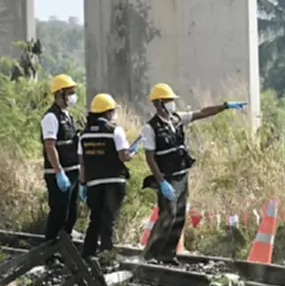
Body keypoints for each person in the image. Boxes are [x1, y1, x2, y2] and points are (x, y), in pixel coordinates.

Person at [140, 83, 246, 264]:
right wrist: (161, 182)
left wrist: (225, 106)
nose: (172, 103)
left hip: (182, 174)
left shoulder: (177, 119)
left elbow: (202, 113)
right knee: (168, 214)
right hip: (168, 178)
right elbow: (150, 157)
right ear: (158, 103)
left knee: (180, 215)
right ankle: (151, 254)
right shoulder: (150, 128)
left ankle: (168, 254)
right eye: (169, 100)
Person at [78, 93, 136, 263]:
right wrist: (132, 153)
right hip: (114, 181)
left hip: (94, 182)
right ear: (108, 112)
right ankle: (106, 254)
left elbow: (82, 162)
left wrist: (83, 183)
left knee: (95, 217)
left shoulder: (84, 134)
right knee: (109, 218)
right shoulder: (115, 130)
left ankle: (88, 252)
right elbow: (123, 156)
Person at [41, 74, 82, 244]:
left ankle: (64, 246)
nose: (73, 96)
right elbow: (50, 146)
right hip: (60, 174)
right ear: (59, 94)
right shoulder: (51, 117)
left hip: (73, 171)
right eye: (70, 92)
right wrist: (59, 172)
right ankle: (50, 250)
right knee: (59, 213)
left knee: (72, 213)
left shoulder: (69, 116)